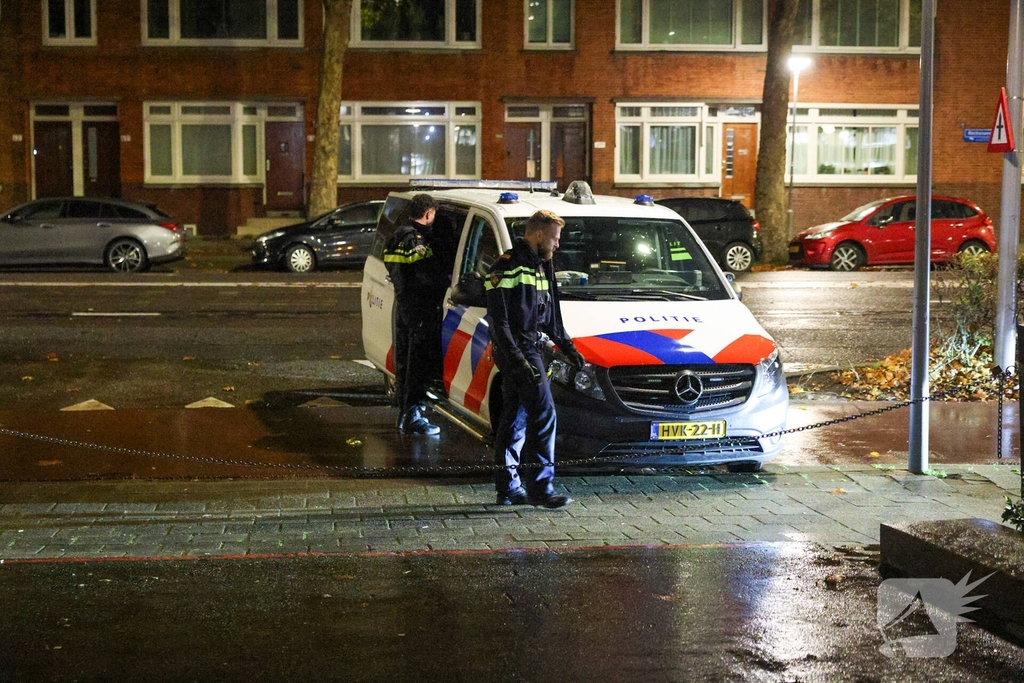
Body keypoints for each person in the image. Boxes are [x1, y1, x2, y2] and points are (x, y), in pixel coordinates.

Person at [485, 209, 585, 509]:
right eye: (554, 239)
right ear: (539, 235)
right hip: (516, 349)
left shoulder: (543, 266)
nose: (557, 245)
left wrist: (568, 348)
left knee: (514, 418)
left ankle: (508, 489)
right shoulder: (506, 267)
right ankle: (541, 488)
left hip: (530, 349)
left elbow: (551, 316)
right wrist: (518, 360)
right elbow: (499, 322)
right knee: (544, 414)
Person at [383, 193, 447, 436]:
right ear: (429, 214)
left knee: (406, 361)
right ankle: (413, 415)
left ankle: (404, 412)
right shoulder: (416, 240)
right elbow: (425, 275)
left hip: (404, 305)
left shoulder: (396, 235)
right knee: (417, 364)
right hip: (420, 308)